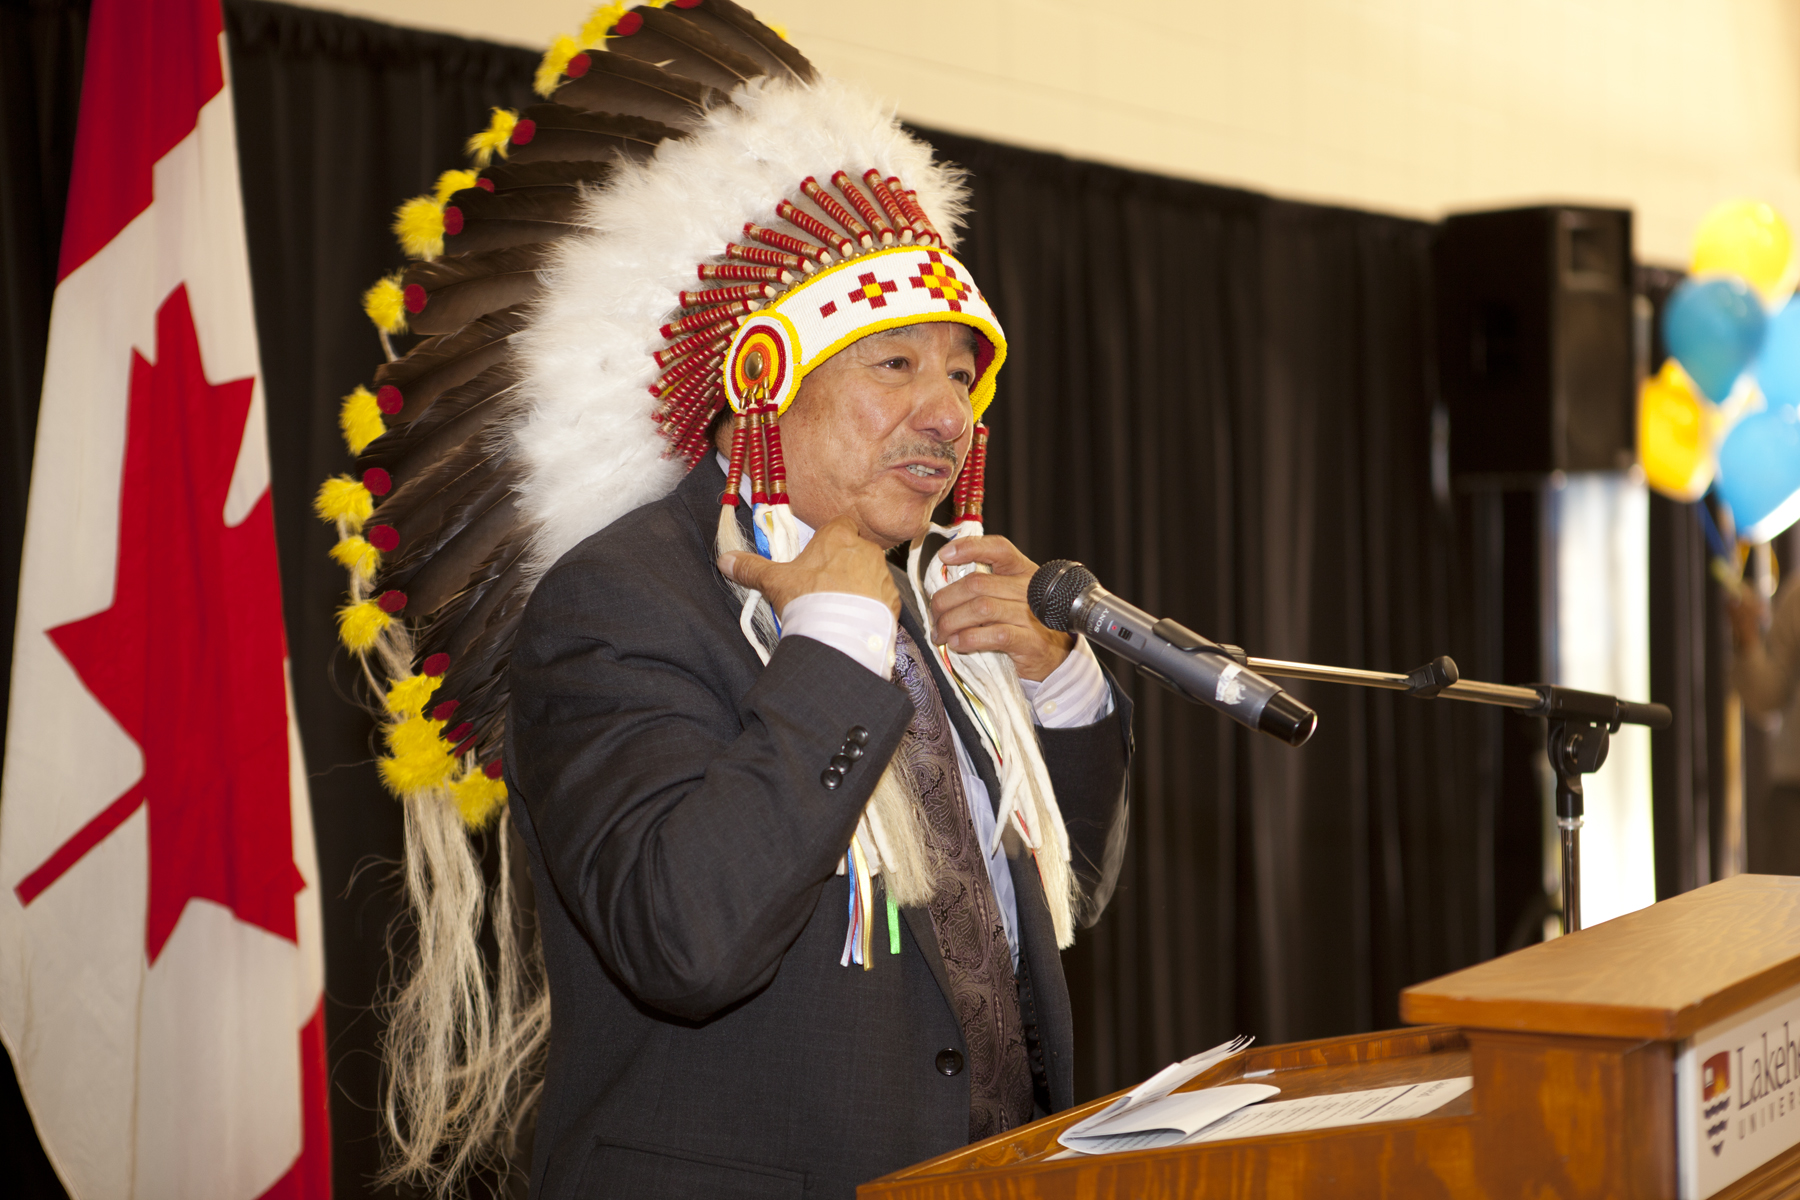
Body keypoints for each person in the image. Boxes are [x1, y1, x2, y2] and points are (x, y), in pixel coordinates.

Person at [311, 3, 1131, 1195]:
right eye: (896, 365)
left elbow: (1055, 905)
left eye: (963, 375)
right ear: (763, 382)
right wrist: (835, 644)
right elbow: (685, 938)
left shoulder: (921, 612)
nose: (948, 414)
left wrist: (1059, 688)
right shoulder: (619, 599)